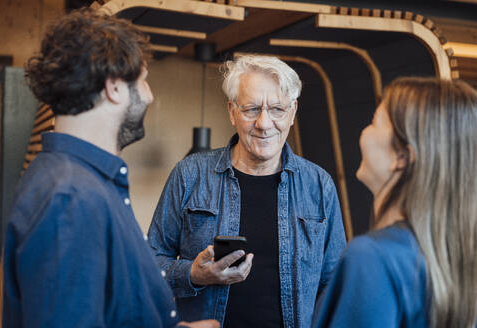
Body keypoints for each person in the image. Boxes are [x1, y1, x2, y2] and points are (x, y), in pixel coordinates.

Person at [2, 9, 218, 328]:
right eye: (143, 81)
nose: (149, 94)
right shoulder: (71, 198)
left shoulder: (79, 180)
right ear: (114, 87)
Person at [148, 55, 346, 328]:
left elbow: (335, 284)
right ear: (232, 111)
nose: (264, 123)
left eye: (277, 109)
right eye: (251, 109)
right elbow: (148, 265)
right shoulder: (190, 175)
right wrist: (193, 274)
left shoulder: (318, 185)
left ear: (293, 112)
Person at [311, 77, 477, 328]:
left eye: (374, 122)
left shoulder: (372, 257)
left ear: (402, 157)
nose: (363, 131)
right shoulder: (460, 258)